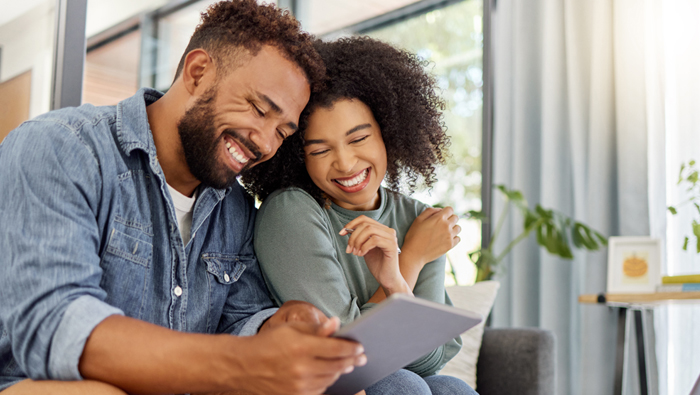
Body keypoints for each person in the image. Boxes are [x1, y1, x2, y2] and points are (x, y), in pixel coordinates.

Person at [0, 1, 367, 394]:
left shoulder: (235, 209)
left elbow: (239, 320)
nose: (264, 142)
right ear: (198, 71)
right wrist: (240, 362)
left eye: (282, 132)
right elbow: (55, 324)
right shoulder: (61, 148)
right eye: (259, 109)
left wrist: (277, 325)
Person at [242, 37, 478, 394]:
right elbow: (342, 350)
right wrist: (410, 259)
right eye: (321, 150)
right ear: (299, 157)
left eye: (359, 139)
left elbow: (431, 358)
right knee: (402, 383)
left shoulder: (419, 219)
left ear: (388, 133)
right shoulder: (291, 212)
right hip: (311, 382)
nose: (346, 163)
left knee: (449, 387)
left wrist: (396, 282)